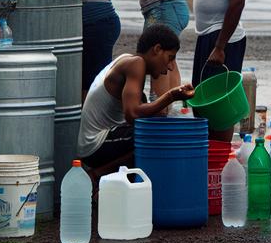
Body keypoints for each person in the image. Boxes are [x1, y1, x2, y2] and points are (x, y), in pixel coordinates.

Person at [77, 25, 194, 181]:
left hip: (102, 140)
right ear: (157, 49)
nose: (170, 67)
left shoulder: (131, 60)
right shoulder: (136, 63)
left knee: (157, 126)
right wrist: (170, 96)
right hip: (94, 145)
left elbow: (143, 111)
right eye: (170, 58)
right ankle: (96, 176)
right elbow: (132, 114)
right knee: (157, 135)